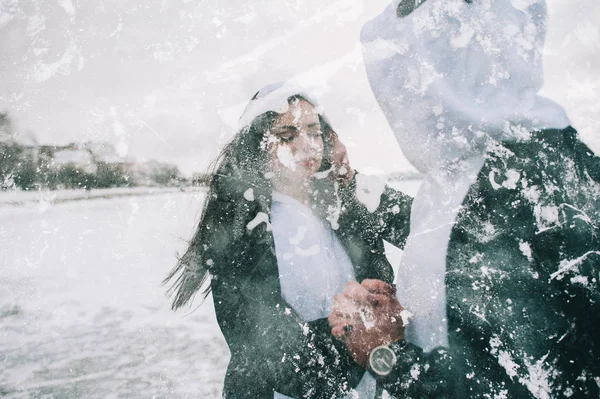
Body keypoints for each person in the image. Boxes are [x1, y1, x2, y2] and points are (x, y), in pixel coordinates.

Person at [328, 0, 600, 397]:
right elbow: (469, 314)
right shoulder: (472, 166)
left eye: (409, 75)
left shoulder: (526, 186)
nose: (400, 98)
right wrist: (406, 317)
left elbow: (511, 385)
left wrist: (386, 355)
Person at [164, 82, 414, 398]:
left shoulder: (344, 205)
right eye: (286, 136)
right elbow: (271, 352)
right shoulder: (241, 225)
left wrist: (355, 183)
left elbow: (433, 232)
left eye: (313, 131)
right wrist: (363, 337)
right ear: (257, 144)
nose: (307, 145)